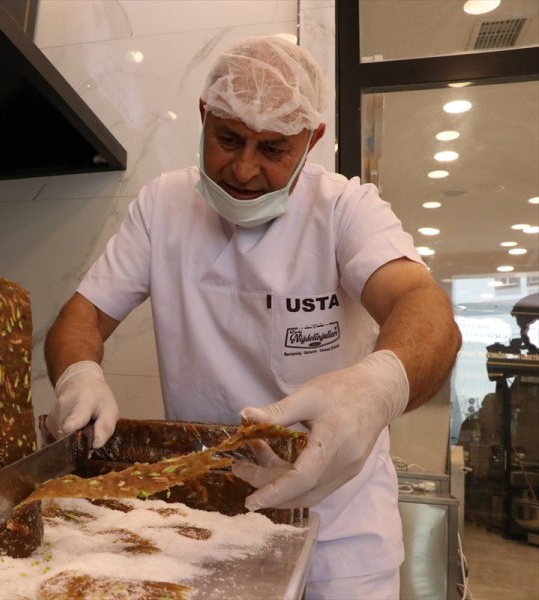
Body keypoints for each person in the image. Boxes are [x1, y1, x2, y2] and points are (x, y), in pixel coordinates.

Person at [43, 36, 461, 599]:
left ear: (312, 140)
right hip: (202, 517)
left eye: (273, 149)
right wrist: (79, 374)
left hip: (340, 526)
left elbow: (423, 306)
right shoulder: (163, 207)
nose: (243, 169)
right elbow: (83, 316)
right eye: (228, 139)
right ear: (204, 116)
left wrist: (378, 386)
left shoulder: (344, 209)